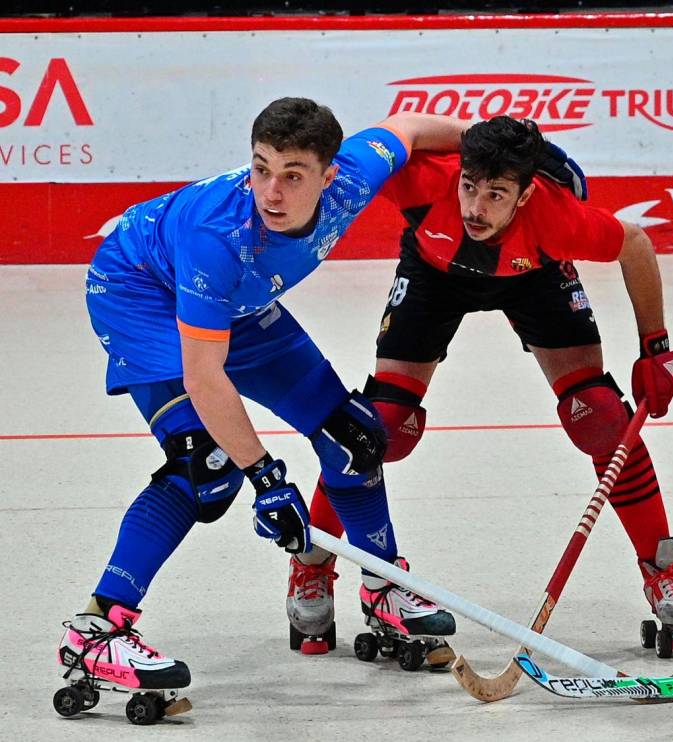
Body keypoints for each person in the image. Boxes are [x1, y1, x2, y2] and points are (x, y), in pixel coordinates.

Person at [58, 98, 466, 719]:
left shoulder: (357, 173)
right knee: (209, 468)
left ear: (331, 177)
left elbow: (407, 128)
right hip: (141, 292)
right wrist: (267, 478)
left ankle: (384, 585)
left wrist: (506, 147)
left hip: (239, 303)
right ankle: (98, 630)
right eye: (260, 169)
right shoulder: (215, 236)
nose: (271, 191)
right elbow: (204, 375)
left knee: (353, 437)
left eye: (293, 175)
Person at [289, 116, 673, 655]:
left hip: (534, 276)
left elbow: (636, 244)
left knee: (601, 416)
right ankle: (312, 563)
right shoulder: (420, 181)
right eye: (469, 186)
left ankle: (664, 569)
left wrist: (656, 346)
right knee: (380, 426)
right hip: (434, 274)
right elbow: (376, 140)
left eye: (496, 194)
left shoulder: (558, 217)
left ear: (527, 194)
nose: (475, 208)